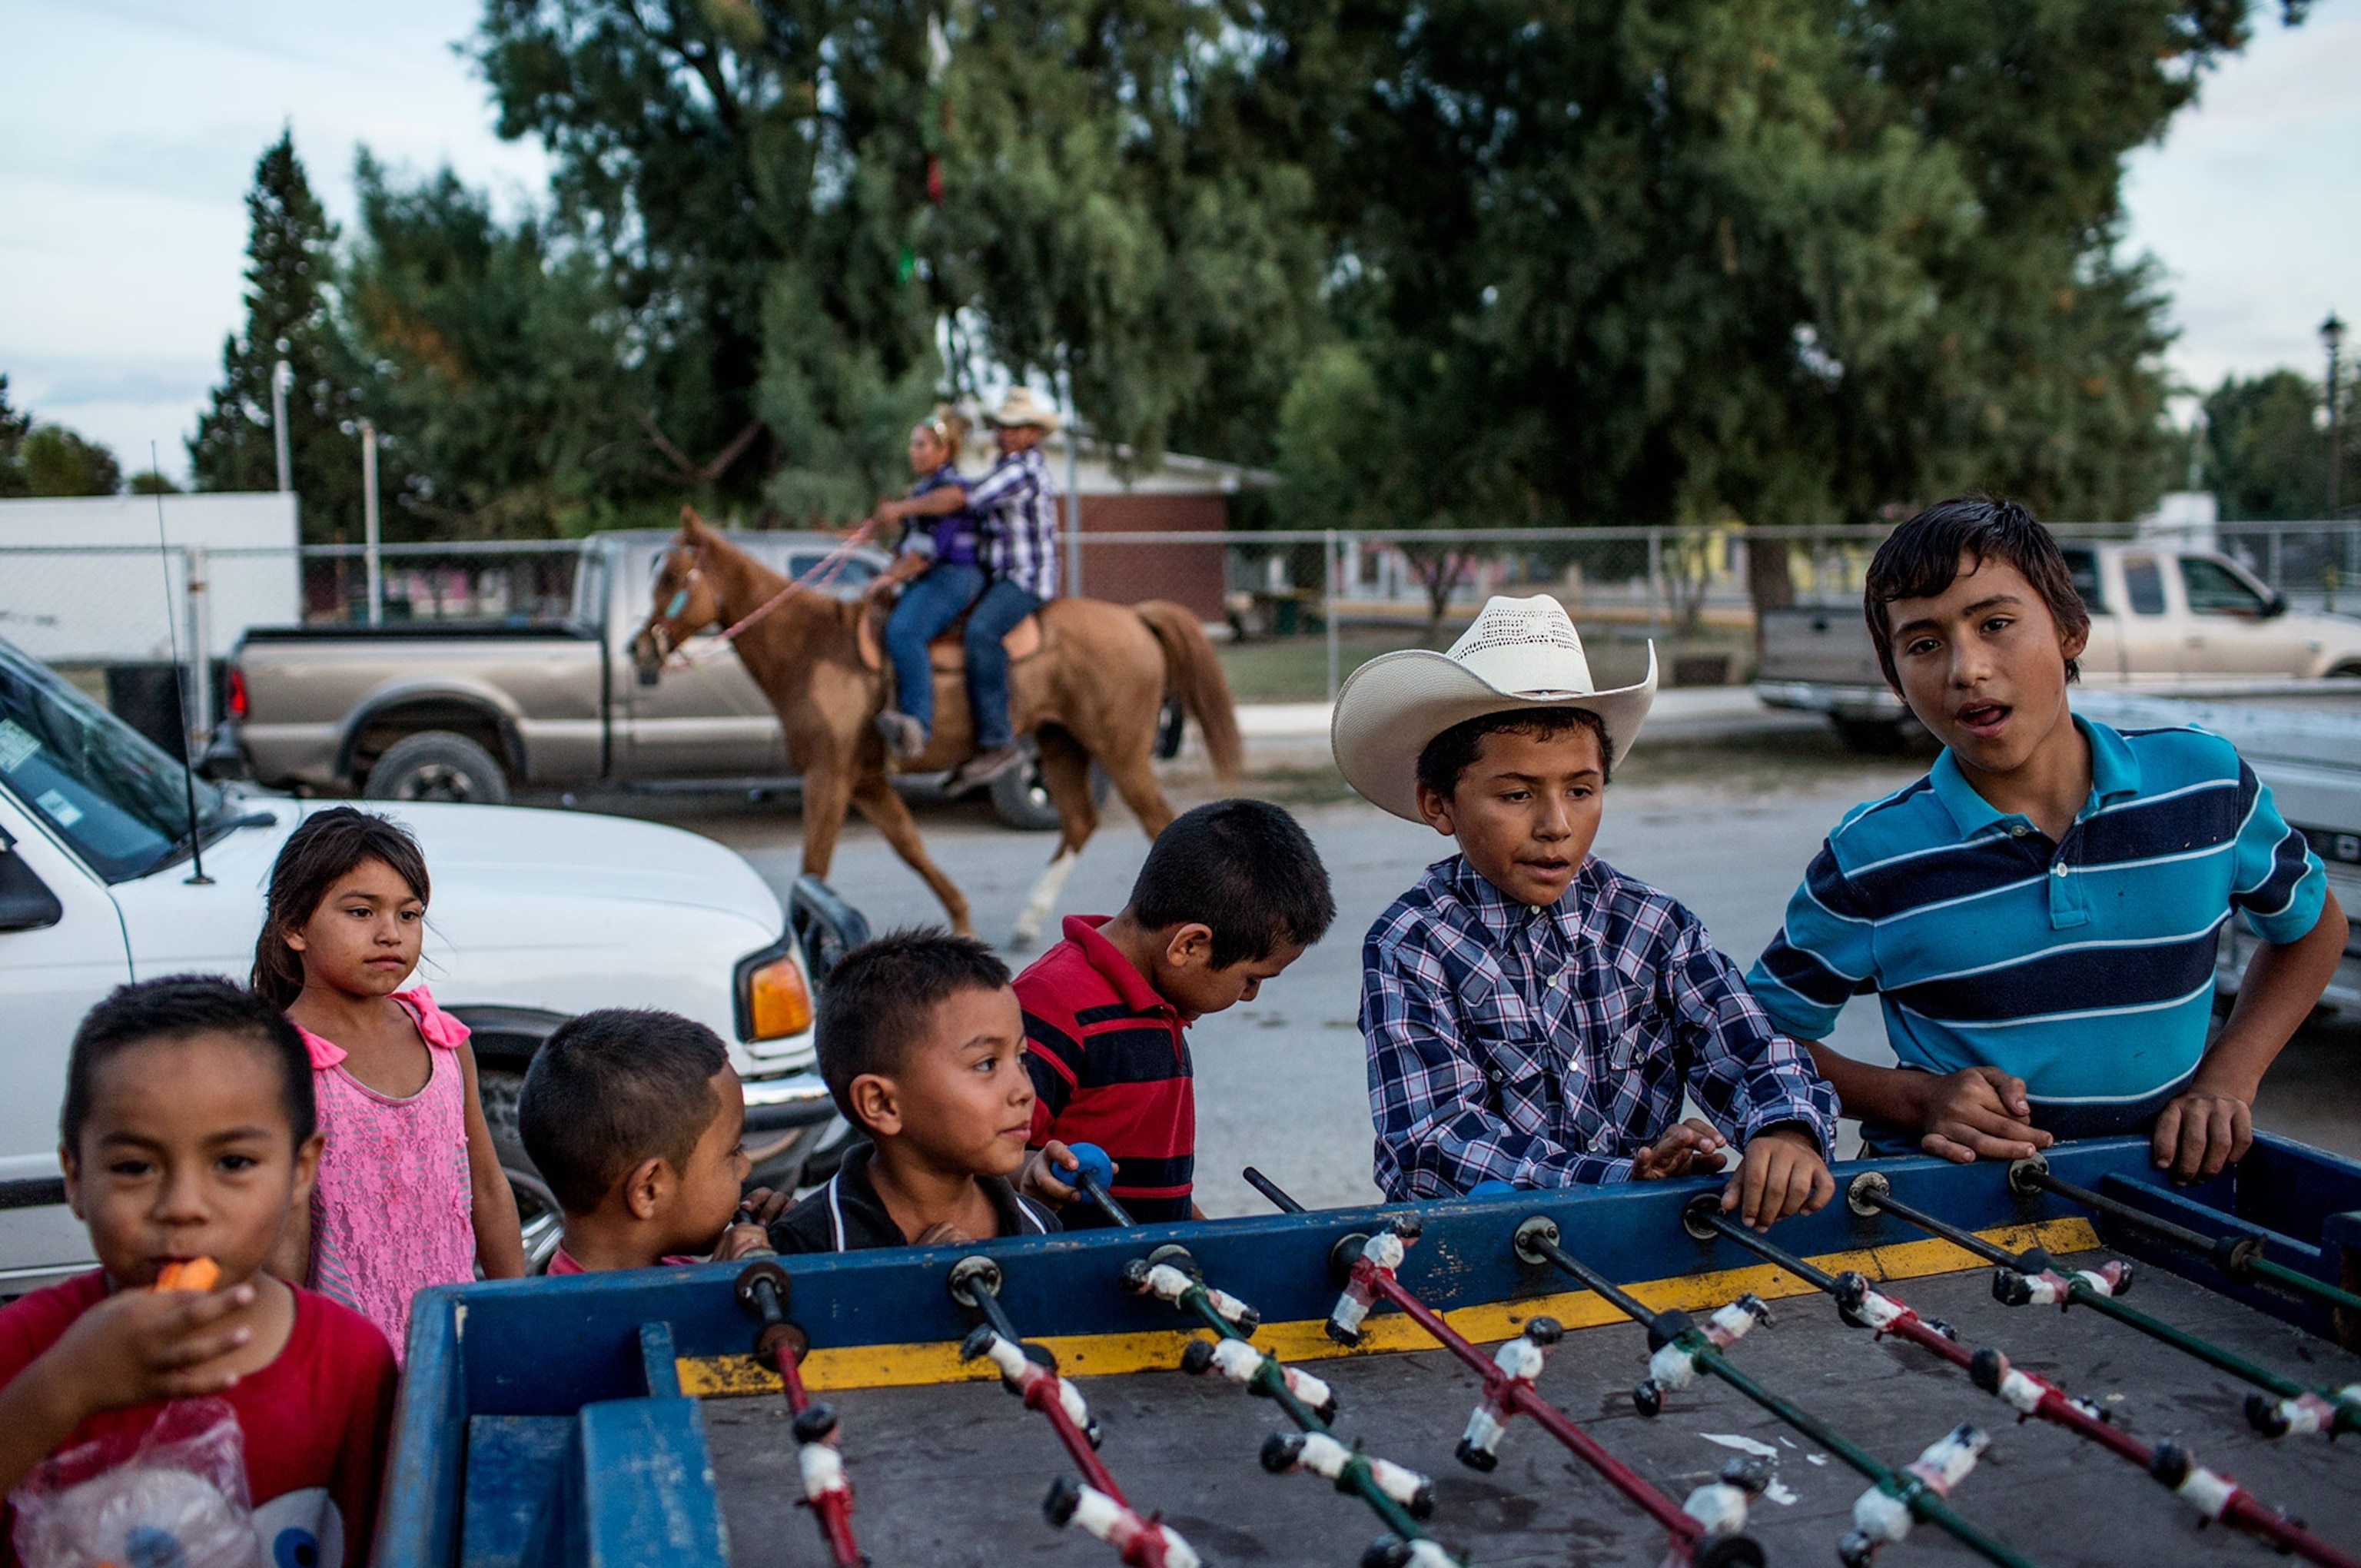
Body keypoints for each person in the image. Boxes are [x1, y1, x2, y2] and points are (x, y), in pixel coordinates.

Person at [1746, 497, 2346, 1181]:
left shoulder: (2201, 783)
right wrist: (1914, 1099)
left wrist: (2229, 1077)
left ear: (2071, 629)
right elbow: (1757, 1031)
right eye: (1924, 644)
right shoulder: (1875, 853)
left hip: (2158, 1189)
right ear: (1895, 682)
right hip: (1943, 1220)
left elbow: (2312, 927)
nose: (1965, 668)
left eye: (1995, 623)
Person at [1334, 594, 1840, 1228]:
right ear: (1438, 804)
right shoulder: (1412, 944)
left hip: (1642, 1252)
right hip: (1476, 1261)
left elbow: (1755, 1051)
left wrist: (1786, 1130)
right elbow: (1436, 1141)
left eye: (1581, 790)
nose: (1557, 826)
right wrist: (1619, 1176)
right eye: (1517, 794)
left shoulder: (1655, 926)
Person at [0, 977, 397, 1565]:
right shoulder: (27, 1348)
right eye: (135, 1167)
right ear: (76, 1177)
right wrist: (65, 1388)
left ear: (300, 1170)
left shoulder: (351, 1363)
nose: (183, 1205)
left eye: (233, 1162)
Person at [251, 807, 523, 1358]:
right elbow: (286, 1237)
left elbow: (489, 1191)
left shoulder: (443, 1041)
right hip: (347, 1355)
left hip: (456, 1340)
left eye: (409, 914)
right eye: (360, 911)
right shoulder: (286, 1064)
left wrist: (517, 1313)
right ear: (295, 927)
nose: (389, 934)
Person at [1016, 800, 1336, 1227]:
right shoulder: (1051, 1003)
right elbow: (976, 1153)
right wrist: (1029, 1171)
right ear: (1189, 946)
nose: (1249, 997)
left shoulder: (1162, 1004)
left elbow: (1156, 1191)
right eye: (1251, 979)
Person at [771, 931, 1065, 1252]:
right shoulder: (810, 1247)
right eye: (986, 1065)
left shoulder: (1038, 1226)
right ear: (882, 1103)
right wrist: (917, 1283)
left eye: (1022, 1058)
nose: (1023, 1090)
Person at [516, 1009, 785, 1274]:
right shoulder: (580, 1315)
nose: (744, 1167)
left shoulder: (668, 1266)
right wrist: (720, 1292)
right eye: (733, 1152)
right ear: (649, 1190)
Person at [943, 387, 1064, 792]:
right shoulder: (1006, 465)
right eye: (1001, 425)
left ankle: (998, 740)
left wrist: (913, 504)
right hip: (1002, 575)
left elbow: (971, 496)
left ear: (1033, 433)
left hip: (1026, 578)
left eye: (1014, 427)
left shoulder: (1022, 470)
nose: (1004, 432)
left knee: (981, 632)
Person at [865, 407, 986, 761]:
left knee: (904, 631)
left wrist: (890, 575)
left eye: (921, 445)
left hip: (955, 576)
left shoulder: (950, 489)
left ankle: (918, 723)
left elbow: (927, 552)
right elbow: (910, 547)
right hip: (934, 575)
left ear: (944, 450)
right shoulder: (924, 489)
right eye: (913, 445)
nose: (913, 451)